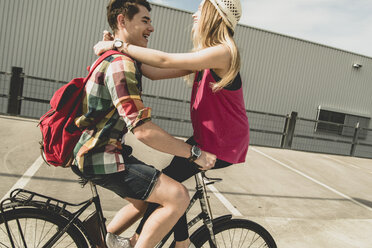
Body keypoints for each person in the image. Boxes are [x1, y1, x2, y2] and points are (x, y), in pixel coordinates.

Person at [94, 0, 249, 247]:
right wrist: (120, 48)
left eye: (200, 9)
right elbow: (153, 71)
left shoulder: (223, 52)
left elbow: (164, 60)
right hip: (206, 139)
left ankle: (158, 242)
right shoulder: (203, 58)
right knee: (167, 188)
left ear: (215, 15)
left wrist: (117, 44)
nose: (194, 14)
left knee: (169, 190)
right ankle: (176, 242)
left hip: (223, 144)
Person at [71, 1, 217, 248]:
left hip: (102, 151)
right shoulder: (121, 64)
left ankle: (98, 236)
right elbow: (143, 131)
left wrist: (203, 62)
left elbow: (161, 66)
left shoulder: (122, 58)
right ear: (122, 21)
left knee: (144, 200)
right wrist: (195, 154)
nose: (152, 27)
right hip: (100, 155)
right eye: (145, 20)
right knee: (177, 195)